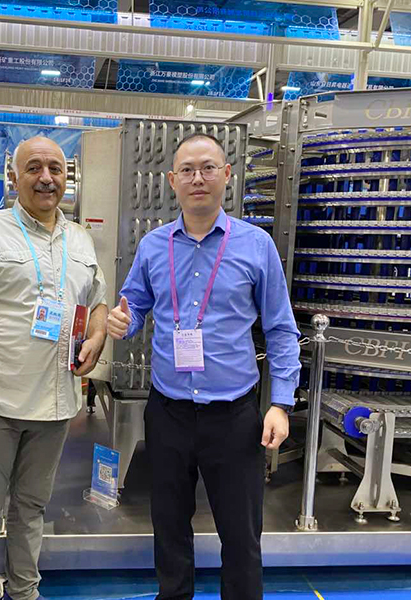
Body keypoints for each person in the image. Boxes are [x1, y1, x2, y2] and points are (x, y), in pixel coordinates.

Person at [107, 133, 300, 600]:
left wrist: (280, 403)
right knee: (169, 526)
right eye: (188, 170)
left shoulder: (256, 246)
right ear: (172, 179)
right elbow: (135, 305)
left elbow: (281, 329)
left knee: (241, 533)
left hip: (233, 417)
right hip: (168, 412)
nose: (198, 178)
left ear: (226, 175)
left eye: (208, 168)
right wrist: (123, 321)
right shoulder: (154, 246)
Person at [0, 136, 108, 600]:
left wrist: (96, 338)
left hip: (56, 405)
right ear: (13, 176)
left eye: (55, 169)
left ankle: (25, 591)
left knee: (32, 507)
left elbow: (98, 301)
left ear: (67, 177)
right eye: (34, 168)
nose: (46, 178)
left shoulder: (81, 239)